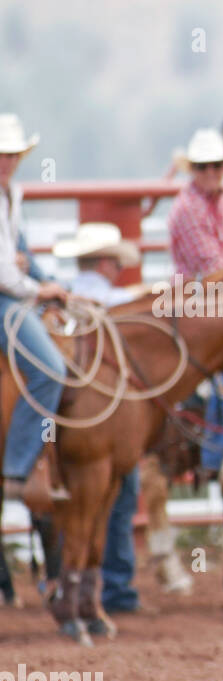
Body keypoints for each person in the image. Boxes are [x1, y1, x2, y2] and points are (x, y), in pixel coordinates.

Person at [52, 223, 142, 612]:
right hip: (108, 424)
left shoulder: (70, 296)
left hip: (76, 425)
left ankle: (65, 584)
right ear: (107, 262)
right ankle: (111, 588)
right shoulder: (113, 301)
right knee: (118, 496)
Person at [166, 128, 223, 474]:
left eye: (216, 165)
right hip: (197, 300)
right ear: (193, 169)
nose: (212, 172)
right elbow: (215, 266)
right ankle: (215, 458)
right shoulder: (187, 209)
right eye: (204, 166)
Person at [0, 113, 70, 510]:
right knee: (49, 369)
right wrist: (40, 287)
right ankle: (18, 466)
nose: (6, 161)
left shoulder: (13, 195)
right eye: (2, 154)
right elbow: (6, 272)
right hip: (5, 300)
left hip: (13, 294)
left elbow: (19, 254)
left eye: (11, 154)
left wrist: (54, 287)